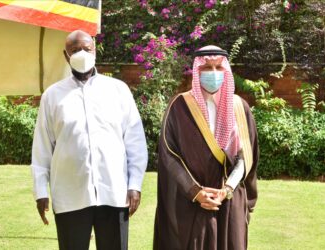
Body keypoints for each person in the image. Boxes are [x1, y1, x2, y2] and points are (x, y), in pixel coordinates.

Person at [31, 30, 148, 250]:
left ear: (95, 50)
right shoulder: (53, 95)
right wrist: (41, 192)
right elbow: (42, 147)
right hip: (70, 194)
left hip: (114, 192)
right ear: (66, 56)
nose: (81, 53)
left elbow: (135, 141)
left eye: (86, 48)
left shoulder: (118, 90)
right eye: (75, 50)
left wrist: (135, 185)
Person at [153, 45, 259, 250]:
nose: (213, 73)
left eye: (218, 67)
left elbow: (246, 155)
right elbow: (169, 155)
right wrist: (195, 191)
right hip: (191, 201)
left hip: (228, 198)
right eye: (207, 67)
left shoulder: (239, 106)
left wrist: (227, 189)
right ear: (196, 71)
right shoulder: (180, 106)